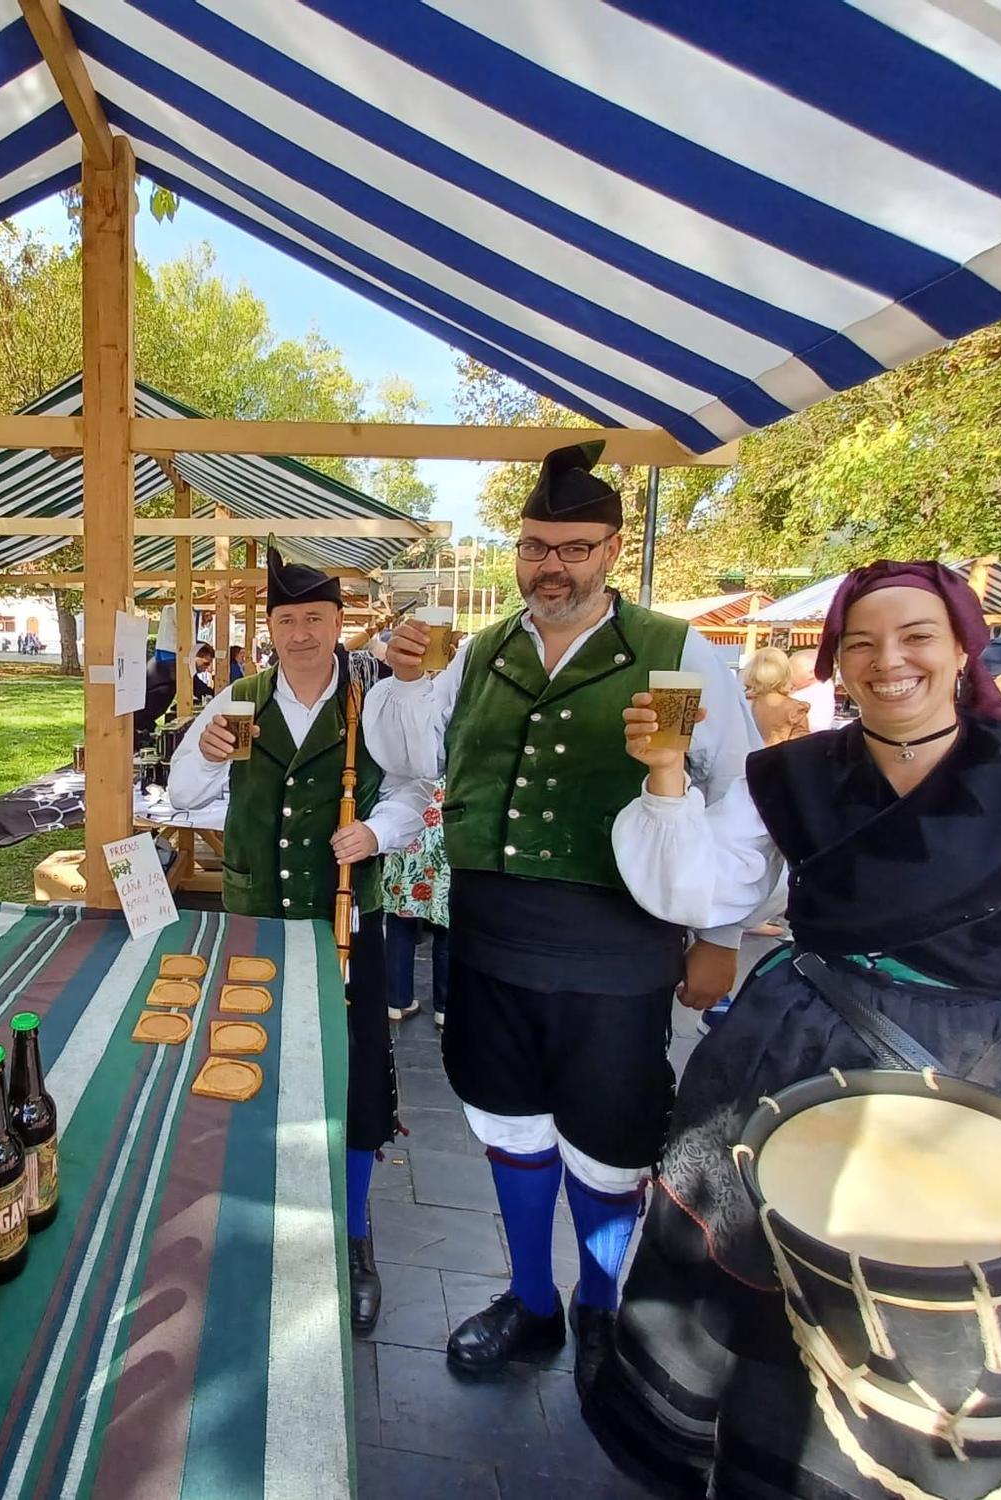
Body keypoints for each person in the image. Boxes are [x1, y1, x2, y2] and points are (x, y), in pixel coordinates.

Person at [595, 561, 1001, 1500]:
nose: (886, 660)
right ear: (835, 663)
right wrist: (668, 778)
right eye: (860, 642)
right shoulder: (791, 777)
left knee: (933, 1344)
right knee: (756, 1323)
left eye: (915, 637)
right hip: (781, 1067)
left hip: (970, 1090)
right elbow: (701, 893)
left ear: (960, 651)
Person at [365, 441, 756, 1383]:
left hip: (615, 947)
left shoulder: (677, 650)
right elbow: (417, 762)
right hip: (490, 938)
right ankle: (531, 1301)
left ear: (613, 549)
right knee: (507, 1120)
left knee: (610, 1138)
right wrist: (409, 677)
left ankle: (602, 1306)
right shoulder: (484, 652)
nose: (553, 566)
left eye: (575, 547)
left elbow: (740, 797)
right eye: (536, 545)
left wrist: (723, 936)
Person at [168, 548, 427, 1334]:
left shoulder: (375, 700)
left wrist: (376, 830)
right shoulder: (237, 700)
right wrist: (207, 755)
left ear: (340, 622)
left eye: (316, 618)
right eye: (288, 621)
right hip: (255, 919)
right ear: (270, 627)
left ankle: (352, 1238)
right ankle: (252, 1223)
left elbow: (419, 789)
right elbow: (182, 796)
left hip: (347, 921)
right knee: (250, 1068)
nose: (303, 634)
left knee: (351, 1085)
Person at [381, 780, 450, 1030]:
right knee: (445, 926)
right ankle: (444, 1008)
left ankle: (397, 1001)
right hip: (447, 830)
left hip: (408, 822)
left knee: (400, 921)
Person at [136, 642, 214, 750]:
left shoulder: (170, 664)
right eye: (206, 663)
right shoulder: (177, 667)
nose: (208, 668)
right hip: (140, 718)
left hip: (144, 717)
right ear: (195, 656)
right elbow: (201, 690)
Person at [741, 646, 809, 746]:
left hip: (740, 759)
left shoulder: (738, 703)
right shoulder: (794, 709)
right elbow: (801, 748)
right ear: (785, 673)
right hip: (775, 760)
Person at [788, 647, 837, 731]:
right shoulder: (826, 686)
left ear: (811, 674)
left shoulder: (814, 691)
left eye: (791, 673)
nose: (788, 679)